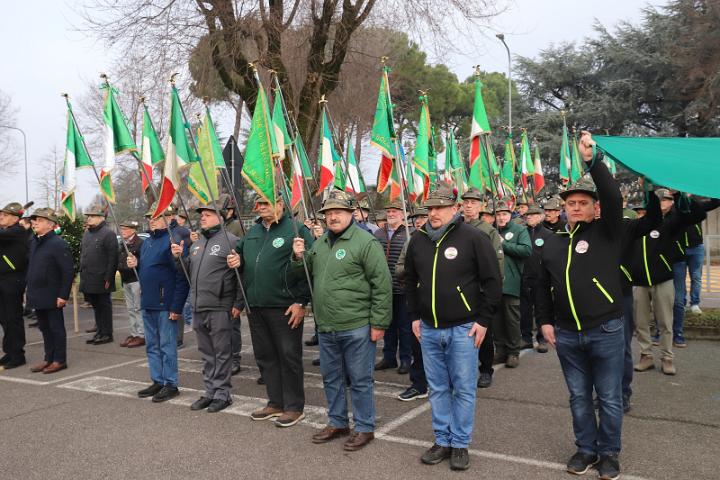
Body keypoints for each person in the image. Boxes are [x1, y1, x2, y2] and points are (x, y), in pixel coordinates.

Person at [536, 132, 625, 479]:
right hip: (567, 334)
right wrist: (545, 322)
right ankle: (586, 449)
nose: (575, 207)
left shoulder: (608, 231)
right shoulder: (553, 242)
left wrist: (593, 161)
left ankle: (609, 454)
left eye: (583, 202)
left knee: (610, 397)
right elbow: (541, 285)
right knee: (578, 397)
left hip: (606, 329)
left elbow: (613, 196)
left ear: (595, 208)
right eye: (570, 203)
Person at [404, 185, 502, 471]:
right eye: (430, 208)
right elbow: (409, 280)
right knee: (437, 388)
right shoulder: (418, 240)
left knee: (464, 388)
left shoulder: (474, 238)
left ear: (455, 208)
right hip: (429, 328)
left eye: (440, 207)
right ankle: (442, 440)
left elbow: (492, 281)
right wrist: (414, 316)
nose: (433, 213)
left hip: (464, 329)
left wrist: (483, 320)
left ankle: (460, 443)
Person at [291, 190, 391, 452]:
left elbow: (382, 285)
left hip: (357, 325)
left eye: (338, 212)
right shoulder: (321, 243)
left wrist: (379, 323)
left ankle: (365, 427)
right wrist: (299, 257)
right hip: (327, 326)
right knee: (331, 378)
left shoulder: (366, 242)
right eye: (328, 213)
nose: (332, 217)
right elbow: (305, 274)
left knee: (360, 380)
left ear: (351, 214)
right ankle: (338, 422)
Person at [227, 192, 313, 426]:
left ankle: (294, 407)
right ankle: (275, 403)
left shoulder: (296, 229)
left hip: (285, 306)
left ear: (280, 204)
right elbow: (241, 257)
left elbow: (309, 267)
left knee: (288, 356)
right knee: (266, 357)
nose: (261, 207)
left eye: (266, 202)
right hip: (256, 305)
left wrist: (301, 301)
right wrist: (236, 261)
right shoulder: (253, 231)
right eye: (259, 203)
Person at [173, 205, 242, 413]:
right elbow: (188, 273)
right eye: (201, 215)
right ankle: (210, 391)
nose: (202, 218)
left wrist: (238, 303)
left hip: (220, 306)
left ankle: (223, 394)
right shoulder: (197, 243)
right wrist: (179, 258)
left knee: (221, 353)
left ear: (220, 217)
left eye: (207, 215)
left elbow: (242, 274)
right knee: (207, 353)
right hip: (198, 305)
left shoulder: (232, 241)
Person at [630, 189, 706, 375]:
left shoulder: (670, 223)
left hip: (663, 279)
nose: (642, 213)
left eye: (666, 200)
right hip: (639, 282)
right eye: (639, 211)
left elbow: (697, 215)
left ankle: (667, 357)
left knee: (665, 322)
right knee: (641, 323)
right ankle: (646, 356)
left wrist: (680, 195)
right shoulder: (634, 228)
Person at [128, 203, 189, 403]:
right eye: (149, 217)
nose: (151, 220)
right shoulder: (147, 243)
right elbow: (148, 269)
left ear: (169, 218)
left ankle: (171, 384)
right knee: (152, 346)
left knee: (167, 346)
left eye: (156, 217)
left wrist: (176, 306)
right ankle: (158, 380)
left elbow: (181, 276)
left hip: (165, 303)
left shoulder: (173, 240)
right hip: (148, 301)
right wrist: (136, 264)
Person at [617, 186, 662, 413]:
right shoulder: (590, 229)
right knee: (597, 352)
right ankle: (603, 393)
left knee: (622, 347)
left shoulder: (627, 225)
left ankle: (623, 393)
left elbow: (652, 220)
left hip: (621, 296)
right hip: (594, 301)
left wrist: (650, 192)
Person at [461, 188, 505, 388]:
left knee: (484, 332)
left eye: (473, 202)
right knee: (462, 333)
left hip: (480, 290)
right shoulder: (455, 227)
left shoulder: (488, 231)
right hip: (461, 290)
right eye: (466, 202)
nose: (469, 206)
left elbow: (498, 262)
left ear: (481, 206)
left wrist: (493, 290)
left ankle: (486, 370)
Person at [26, 208, 74, 374]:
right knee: (44, 328)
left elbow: (68, 271)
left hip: (53, 295)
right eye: (34, 220)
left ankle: (59, 360)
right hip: (37, 293)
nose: (34, 223)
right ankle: (48, 358)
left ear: (50, 224)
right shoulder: (34, 242)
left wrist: (63, 295)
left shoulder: (58, 243)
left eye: (39, 220)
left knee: (56, 328)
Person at [672, 197, 720, 345]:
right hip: (679, 249)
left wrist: (713, 189)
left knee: (696, 276)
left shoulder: (697, 205)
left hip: (696, 247)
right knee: (679, 280)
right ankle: (681, 304)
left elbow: (715, 203)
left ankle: (695, 303)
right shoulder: (674, 208)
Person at [373, 199, 412, 374]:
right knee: (387, 326)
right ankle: (389, 358)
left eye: (394, 211)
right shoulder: (378, 234)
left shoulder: (410, 234)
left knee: (404, 327)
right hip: (384, 289)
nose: (390, 214)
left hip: (403, 289)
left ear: (403, 214)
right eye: (388, 211)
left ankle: (405, 359)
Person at [493, 198, 532, 368]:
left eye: (504, 214)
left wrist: (504, 244)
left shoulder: (519, 230)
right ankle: (500, 350)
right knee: (496, 319)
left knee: (511, 319)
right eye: (498, 214)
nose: (501, 218)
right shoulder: (492, 231)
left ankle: (513, 352)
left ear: (510, 214)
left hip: (511, 282)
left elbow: (526, 250)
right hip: (493, 282)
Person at [80, 205, 119, 345]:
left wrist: (109, 277)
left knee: (104, 306)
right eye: (88, 216)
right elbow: (84, 254)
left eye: (92, 216)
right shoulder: (87, 233)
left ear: (101, 218)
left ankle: (107, 334)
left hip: (102, 278)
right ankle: (99, 332)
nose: (89, 218)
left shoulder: (108, 234)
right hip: (89, 277)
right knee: (96, 307)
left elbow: (113, 258)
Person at [520, 204, 553, 353]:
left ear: (540, 217)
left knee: (541, 308)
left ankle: (542, 339)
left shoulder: (548, 234)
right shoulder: (522, 232)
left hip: (541, 278)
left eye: (532, 215)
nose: (529, 217)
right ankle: (526, 338)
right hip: (524, 276)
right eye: (528, 215)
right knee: (525, 310)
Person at [0, 202, 30, 369]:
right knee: (4, 318)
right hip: (3, 279)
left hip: (13, 279)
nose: (1, 217)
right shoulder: (6, 232)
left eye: (5, 215)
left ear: (15, 218)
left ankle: (18, 354)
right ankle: (9, 351)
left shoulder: (17, 231)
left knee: (13, 318)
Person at [118, 220, 144, 348]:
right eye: (121, 229)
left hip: (136, 279)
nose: (122, 231)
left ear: (133, 230)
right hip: (126, 279)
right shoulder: (123, 243)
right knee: (130, 309)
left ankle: (141, 335)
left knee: (138, 308)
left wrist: (136, 263)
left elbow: (142, 261)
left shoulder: (140, 243)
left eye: (125, 229)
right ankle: (134, 333)